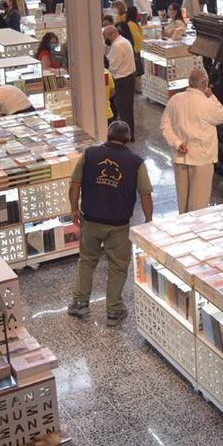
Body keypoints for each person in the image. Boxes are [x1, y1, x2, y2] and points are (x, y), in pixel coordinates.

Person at [67, 120, 153, 325]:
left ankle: (79, 303)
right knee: (118, 266)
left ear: (108, 135)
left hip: (91, 220)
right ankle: (114, 311)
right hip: (119, 224)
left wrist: (74, 209)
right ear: (128, 139)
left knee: (87, 261)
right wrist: (148, 220)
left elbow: (74, 184)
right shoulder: (136, 162)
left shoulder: (89, 154)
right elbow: (146, 194)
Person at [161, 68, 223, 213]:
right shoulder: (207, 103)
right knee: (198, 205)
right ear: (204, 83)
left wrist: (177, 143)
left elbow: (165, 126)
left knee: (183, 202)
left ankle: (184, 227)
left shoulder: (175, 100)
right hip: (201, 158)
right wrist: (212, 97)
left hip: (180, 155)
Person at [104, 25, 137, 138]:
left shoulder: (117, 45)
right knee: (127, 109)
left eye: (106, 37)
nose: (106, 40)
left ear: (112, 34)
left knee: (124, 110)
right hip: (128, 78)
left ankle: (126, 135)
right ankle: (129, 134)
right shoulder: (124, 41)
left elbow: (113, 66)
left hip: (122, 80)